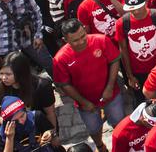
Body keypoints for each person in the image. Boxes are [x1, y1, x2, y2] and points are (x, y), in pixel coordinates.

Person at [54, 18, 126, 151]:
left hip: (111, 95)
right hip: (85, 103)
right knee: (93, 128)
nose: (81, 41)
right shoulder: (60, 59)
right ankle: (100, 146)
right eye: (75, 40)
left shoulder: (101, 40)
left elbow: (114, 61)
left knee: (119, 121)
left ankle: (121, 144)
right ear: (66, 40)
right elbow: (65, 85)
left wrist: (110, 87)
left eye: (83, 36)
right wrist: (83, 102)